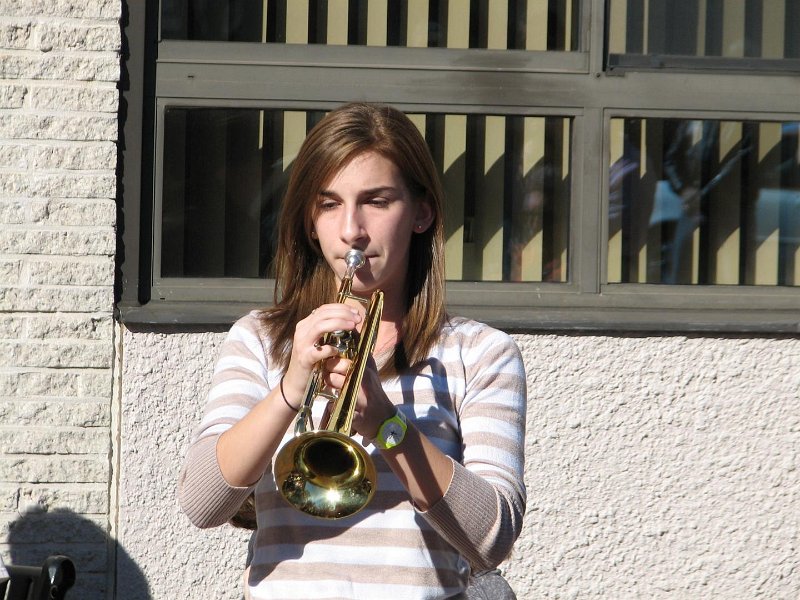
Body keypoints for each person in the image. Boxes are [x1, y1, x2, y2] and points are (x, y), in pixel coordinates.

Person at [178, 102, 527, 599]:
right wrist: (291, 389)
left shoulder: (481, 353)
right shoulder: (259, 339)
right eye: (329, 204)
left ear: (422, 212)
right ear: (308, 220)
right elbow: (200, 503)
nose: (351, 231)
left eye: (377, 201)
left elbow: (491, 539)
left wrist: (387, 424)